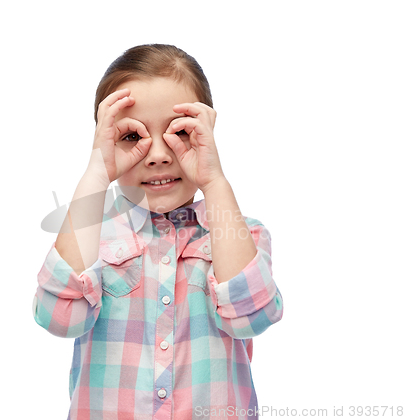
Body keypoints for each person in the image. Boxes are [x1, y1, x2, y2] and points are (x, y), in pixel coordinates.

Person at [33, 44, 284, 420]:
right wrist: (96, 175)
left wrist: (214, 179)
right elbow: (59, 318)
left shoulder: (242, 234)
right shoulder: (91, 237)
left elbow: (252, 317)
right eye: (133, 137)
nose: (157, 155)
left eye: (178, 132)